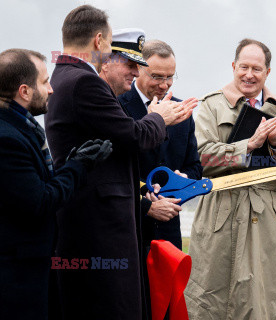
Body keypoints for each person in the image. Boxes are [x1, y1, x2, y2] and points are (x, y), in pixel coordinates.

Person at [44, 5, 197, 320]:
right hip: (100, 228)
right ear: (99, 41)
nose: (136, 73)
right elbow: (132, 135)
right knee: (111, 306)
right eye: (131, 64)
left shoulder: (65, 76)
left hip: (97, 224)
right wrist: (159, 118)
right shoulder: (84, 81)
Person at [185, 38, 276, 320]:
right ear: (233, 66)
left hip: (268, 215)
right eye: (244, 67)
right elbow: (200, 159)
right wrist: (248, 146)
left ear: (267, 72)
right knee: (213, 296)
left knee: (267, 299)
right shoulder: (210, 106)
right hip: (221, 211)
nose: (249, 74)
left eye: (257, 68)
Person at [0, 49, 111, 320]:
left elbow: (31, 187)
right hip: (15, 278)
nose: (51, 89)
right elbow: (40, 201)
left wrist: (69, 164)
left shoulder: (19, 128)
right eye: (45, 82)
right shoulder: (7, 139)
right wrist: (78, 166)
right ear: (24, 91)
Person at [118, 39, 202, 251]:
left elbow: (195, 168)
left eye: (169, 77)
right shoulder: (117, 106)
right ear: (138, 70)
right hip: (130, 229)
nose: (164, 85)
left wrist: (183, 179)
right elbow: (114, 171)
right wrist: (147, 202)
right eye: (156, 76)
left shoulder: (181, 111)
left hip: (168, 231)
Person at [99, 28, 148, 96]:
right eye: (130, 66)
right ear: (105, 62)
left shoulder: (106, 97)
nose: (137, 74)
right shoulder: (92, 96)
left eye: (136, 67)